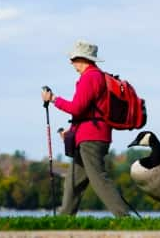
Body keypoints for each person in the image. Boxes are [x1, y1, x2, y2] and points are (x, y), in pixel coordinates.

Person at [41, 40, 130, 217]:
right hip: (89, 135)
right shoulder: (96, 76)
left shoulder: (90, 77)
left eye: (73, 58)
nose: (71, 62)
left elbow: (76, 108)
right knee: (73, 181)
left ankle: (124, 217)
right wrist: (71, 131)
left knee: (98, 179)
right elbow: (86, 111)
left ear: (82, 58)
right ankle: (64, 219)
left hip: (92, 138)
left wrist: (53, 99)